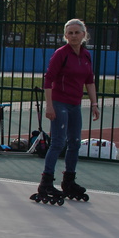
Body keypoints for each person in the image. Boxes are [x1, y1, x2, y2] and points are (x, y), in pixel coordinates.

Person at [31, 19, 100, 204]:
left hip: (75, 104)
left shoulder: (86, 55)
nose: (74, 36)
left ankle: (69, 180)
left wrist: (94, 104)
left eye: (77, 32)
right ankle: (46, 182)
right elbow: (48, 80)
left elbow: (89, 81)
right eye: (70, 33)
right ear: (65, 36)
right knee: (58, 142)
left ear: (84, 34)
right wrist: (49, 105)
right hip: (59, 102)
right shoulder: (61, 54)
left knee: (75, 142)